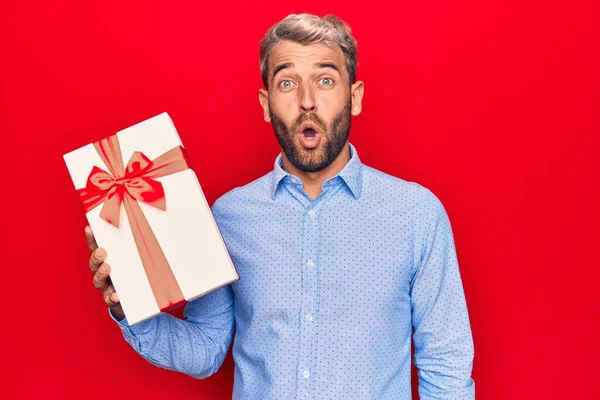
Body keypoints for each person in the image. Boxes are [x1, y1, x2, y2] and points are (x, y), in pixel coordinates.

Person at [86, 13, 475, 400]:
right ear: (266, 103)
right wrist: (129, 307)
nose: (307, 101)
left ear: (354, 97)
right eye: (287, 83)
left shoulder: (416, 214)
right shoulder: (228, 217)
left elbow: (447, 364)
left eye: (325, 80)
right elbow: (205, 348)